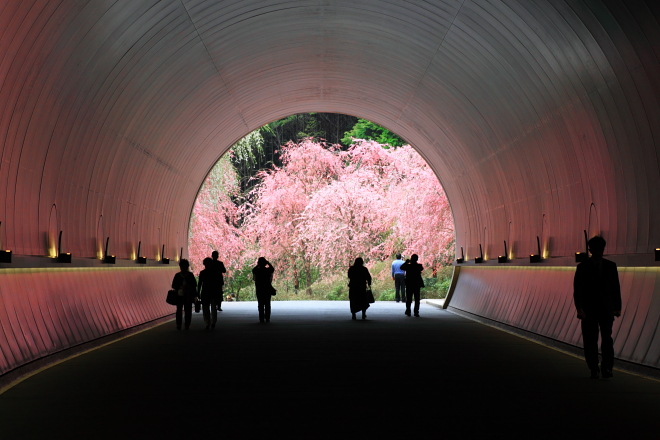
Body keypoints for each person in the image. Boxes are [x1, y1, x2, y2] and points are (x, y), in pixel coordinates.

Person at [573, 236, 622, 379]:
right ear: (591, 250)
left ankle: (604, 367)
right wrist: (579, 308)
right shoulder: (586, 267)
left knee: (603, 339)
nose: (599, 252)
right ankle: (595, 367)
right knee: (593, 340)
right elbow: (578, 290)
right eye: (597, 249)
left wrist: (617, 307)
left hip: (601, 310)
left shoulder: (587, 267)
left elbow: (615, 287)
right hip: (592, 310)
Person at [171, 259, 197, 330]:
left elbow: (194, 285)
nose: (183, 268)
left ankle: (183, 324)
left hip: (187, 295)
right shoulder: (189, 275)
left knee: (185, 310)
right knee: (182, 310)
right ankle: (183, 324)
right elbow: (173, 285)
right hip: (181, 295)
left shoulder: (178, 275)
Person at [198, 257, 221, 329]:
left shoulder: (202, 273)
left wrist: (198, 292)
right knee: (213, 308)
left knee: (205, 309)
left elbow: (199, 284)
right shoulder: (216, 273)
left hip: (205, 292)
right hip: (213, 292)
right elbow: (218, 284)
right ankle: (213, 322)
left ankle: (207, 322)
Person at [252, 257, 275, 323]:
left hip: (259, 288)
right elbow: (272, 269)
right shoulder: (268, 270)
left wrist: (258, 265)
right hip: (267, 288)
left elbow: (253, 270)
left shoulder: (257, 271)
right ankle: (267, 318)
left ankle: (261, 318)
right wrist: (268, 263)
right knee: (267, 303)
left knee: (260, 304)